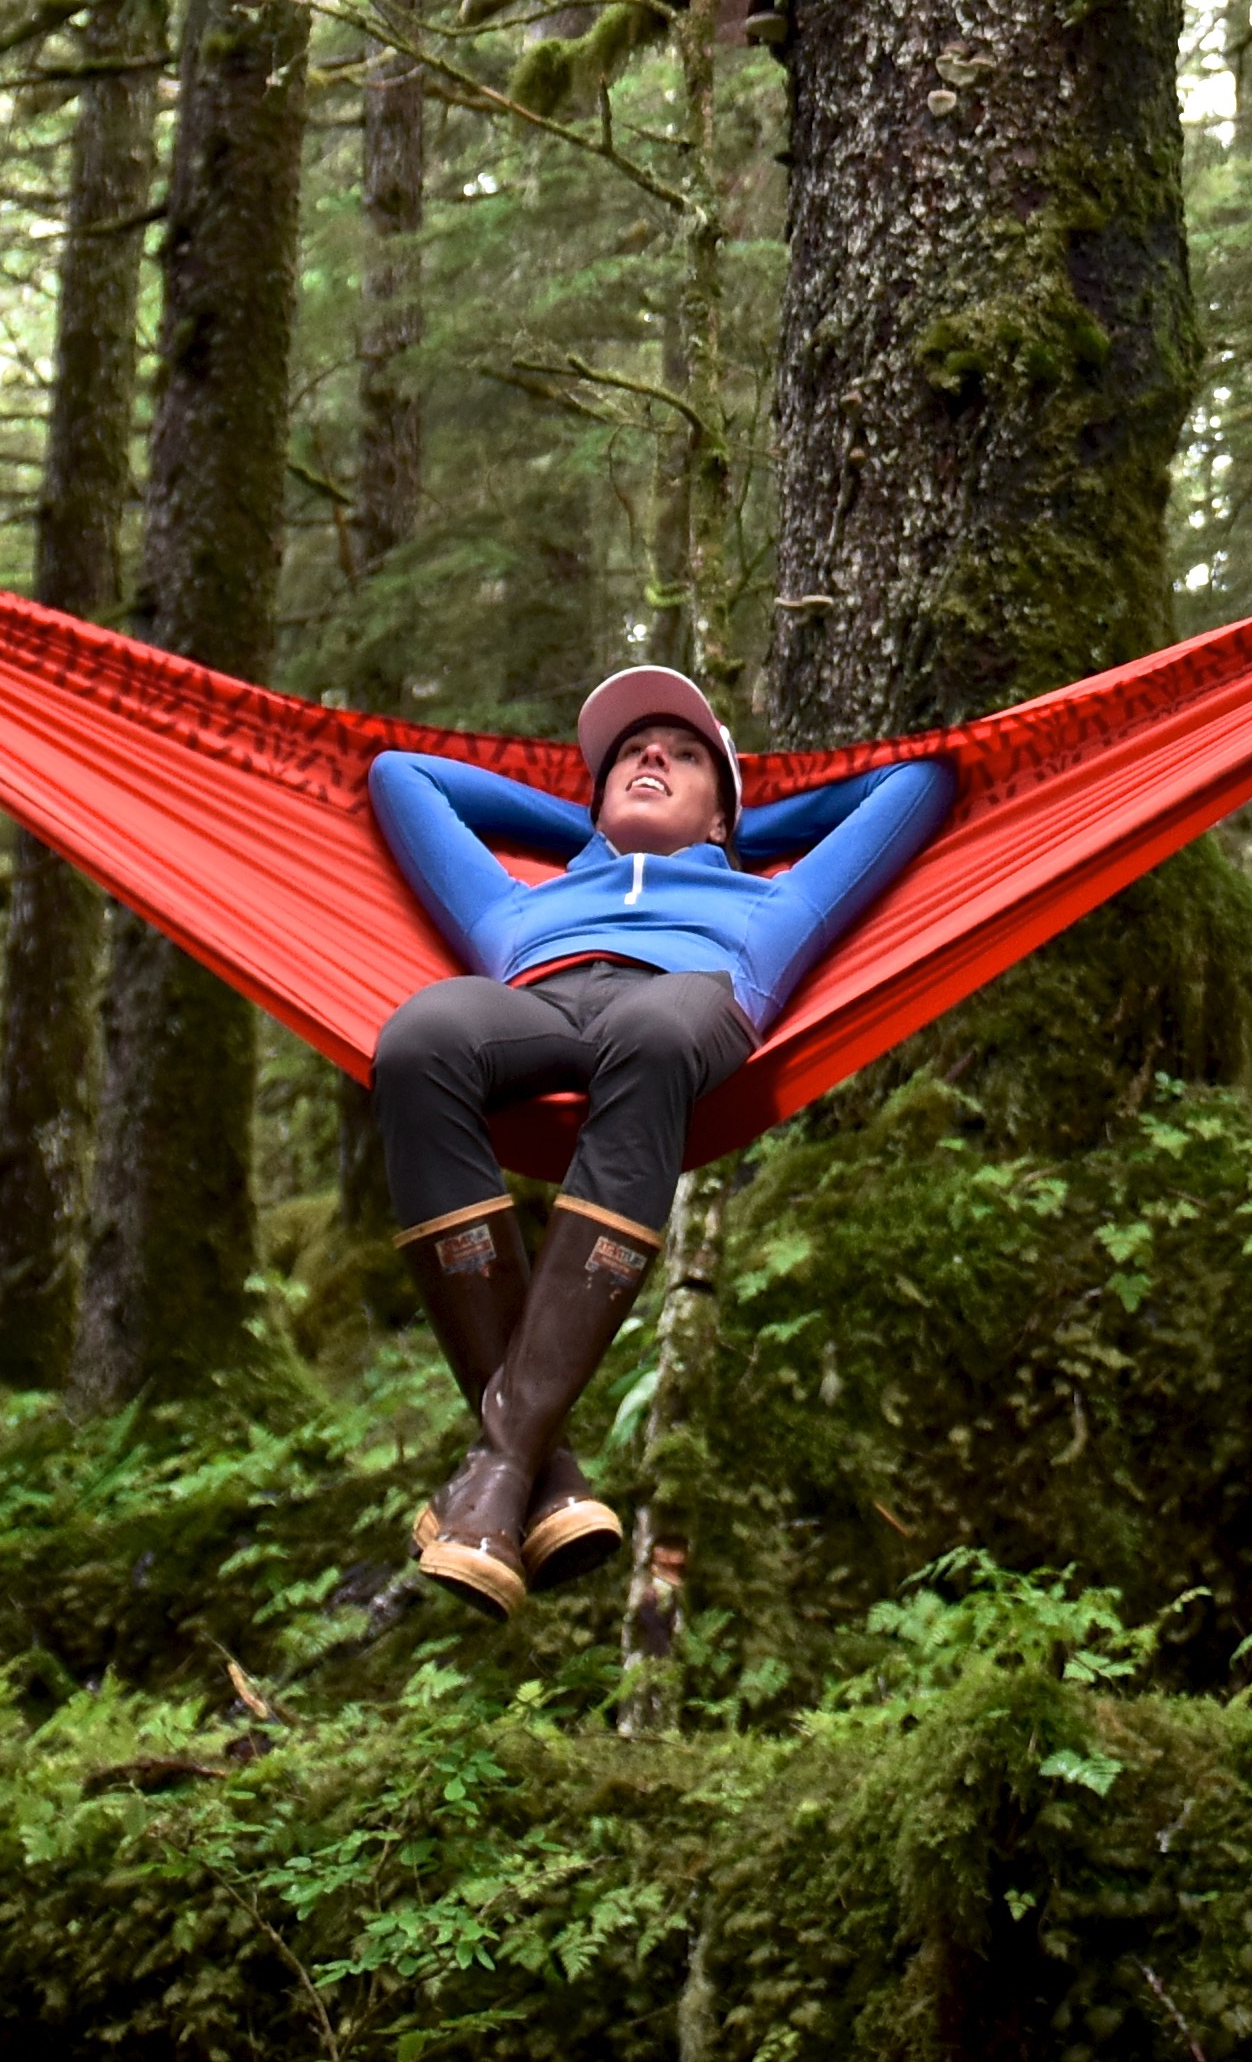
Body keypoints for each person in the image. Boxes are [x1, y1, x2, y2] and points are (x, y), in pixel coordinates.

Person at [361, 664, 952, 1614]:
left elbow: (917, 787)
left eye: (683, 754)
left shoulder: (775, 902)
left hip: (688, 1001)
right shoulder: (512, 906)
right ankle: (535, 1479)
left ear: (727, 816)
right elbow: (400, 776)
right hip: (538, 1002)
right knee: (420, 1037)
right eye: (632, 752)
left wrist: (726, 828)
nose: (650, 756)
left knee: (651, 1032)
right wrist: (595, 828)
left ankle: (502, 1464)